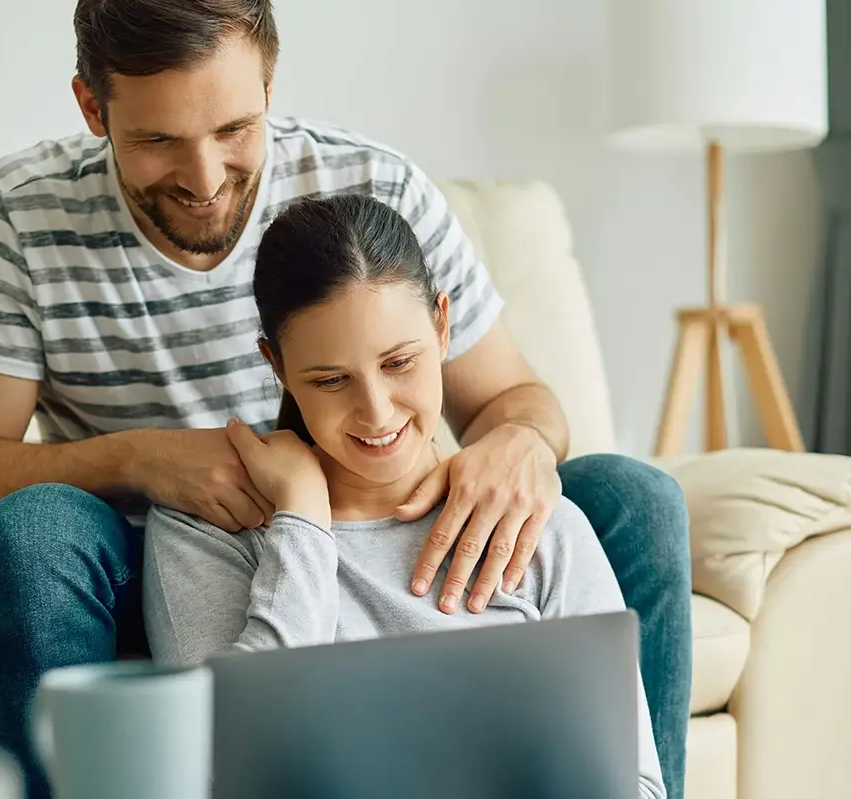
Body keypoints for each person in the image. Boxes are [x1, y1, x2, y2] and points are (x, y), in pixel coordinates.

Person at [0, 1, 691, 797]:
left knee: (635, 496)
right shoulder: (17, 214)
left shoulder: (380, 189)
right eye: (157, 140)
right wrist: (144, 458)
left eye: (234, 130)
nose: (205, 179)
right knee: (30, 534)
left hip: (376, 515)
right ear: (91, 107)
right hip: (155, 553)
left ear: (270, 83)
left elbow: (515, 399)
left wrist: (521, 438)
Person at [144, 193, 666, 799]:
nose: (375, 411)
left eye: (399, 363)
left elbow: (636, 786)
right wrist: (303, 521)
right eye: (331, 380)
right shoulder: (207, 526)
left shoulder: (537, 524)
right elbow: (223, 768)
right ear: (277, 366)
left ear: (443, 327)